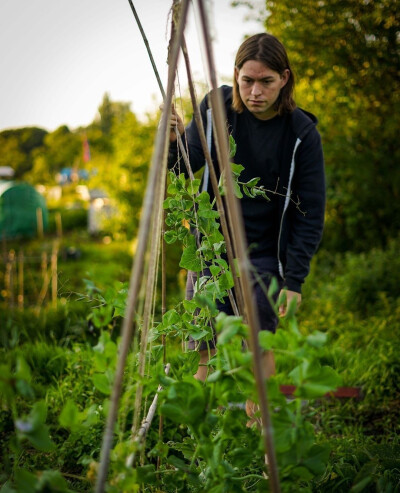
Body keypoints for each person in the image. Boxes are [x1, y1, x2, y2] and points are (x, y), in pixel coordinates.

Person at [167, 33, 325, 408]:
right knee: (201, 344)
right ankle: (198, 433)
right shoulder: (215, 110)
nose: (255, 91)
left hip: (267, 255)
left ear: (284, 78)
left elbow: (310, 211)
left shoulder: (301, 134)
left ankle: (261, 435)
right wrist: (173, 143)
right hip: (213, 248)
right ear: (236, 74)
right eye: (247, 80)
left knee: (258, 346)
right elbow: (183, 173)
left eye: (266, 81)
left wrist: (295, 279)